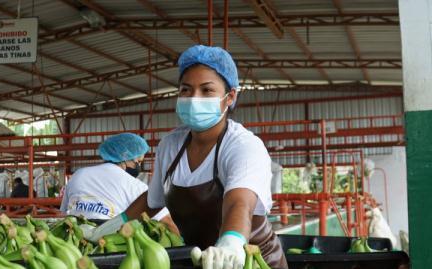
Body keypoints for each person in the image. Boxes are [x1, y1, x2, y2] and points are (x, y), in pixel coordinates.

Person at [87, 45, 287, 269]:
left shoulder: (243, 145)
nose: (194, 98)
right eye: (186, 90)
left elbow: (239, 203)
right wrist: (111, 226)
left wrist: (231, 243)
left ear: (230, 97)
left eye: (207, 90)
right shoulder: (170, 145)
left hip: (250, 260)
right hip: (198, 259)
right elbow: (151, 202)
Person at [60, 133, 173, 225]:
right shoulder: (134, 185)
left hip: (74, 237)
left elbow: (63, 212)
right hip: (111, 242)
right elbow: (166, 220)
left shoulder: (78, 174)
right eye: (138, 162)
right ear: (125, 157)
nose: (138, 166)